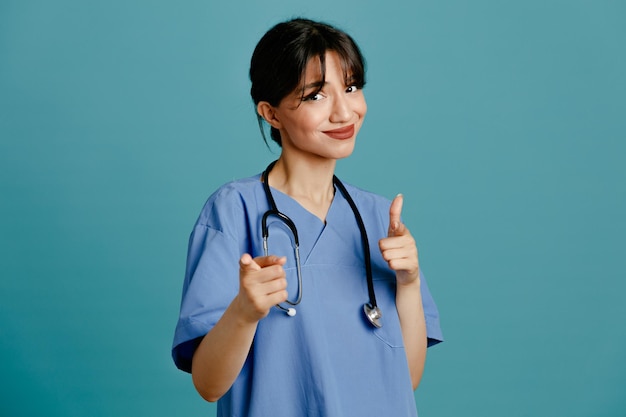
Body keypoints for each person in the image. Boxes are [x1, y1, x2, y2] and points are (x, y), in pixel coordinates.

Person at [172, 18, 443, 417]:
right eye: (316, 95)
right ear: (271, 113)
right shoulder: (234, 212)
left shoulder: (376, 217)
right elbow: (209, 385)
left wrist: (409, 283)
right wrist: (244, 312)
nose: (344, 111)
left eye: (351, 88)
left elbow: (406, 378)